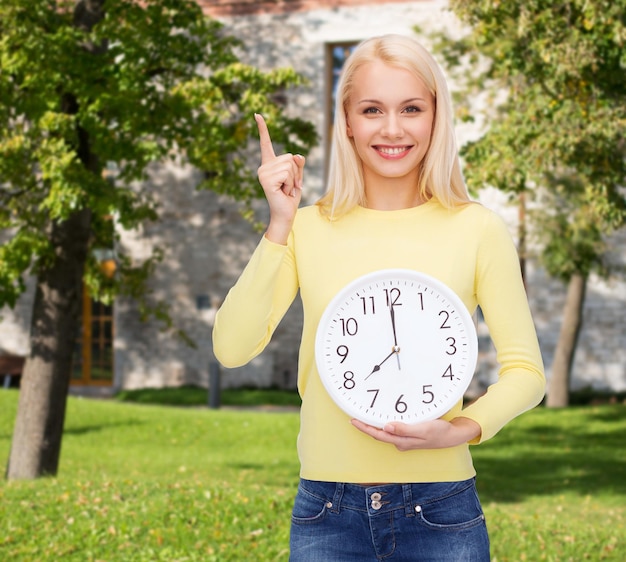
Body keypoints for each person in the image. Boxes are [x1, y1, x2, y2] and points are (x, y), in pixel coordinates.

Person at [212, 34, 545, 562]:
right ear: (347, 121)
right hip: (327, 511)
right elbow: (231, 347)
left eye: (411, 108)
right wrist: (278, 224)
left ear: (436, 117)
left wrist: (458, 431)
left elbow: (528, 372)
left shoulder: (477, 228)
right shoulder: (305, 229)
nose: (392, 129)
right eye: (372, 110)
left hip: (442, 510)